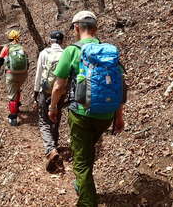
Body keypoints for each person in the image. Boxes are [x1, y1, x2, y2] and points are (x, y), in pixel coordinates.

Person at [48, 11, 126, 207]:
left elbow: (59, 86)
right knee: (87, 151)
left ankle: (87, 202)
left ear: (76, 28)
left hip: (81, 114)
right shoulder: (108, 51)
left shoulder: (72, 51)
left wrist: (52, 107)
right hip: (106, 114)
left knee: (81, 160)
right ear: (95, 28)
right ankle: (82, 184)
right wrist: (118, 117)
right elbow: (119, 86)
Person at [33, 30, 65, 173]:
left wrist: (36, 91)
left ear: (50, 40)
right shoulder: (66, 54)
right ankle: (55, 144)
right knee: (56, 117)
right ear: (62, 41)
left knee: (44, 121)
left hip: (45, 91)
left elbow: (39, 73)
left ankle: (50, 150)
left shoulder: (44, 53)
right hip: (61, 92)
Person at [0, 29, 28, 126]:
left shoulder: (6, 47)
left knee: (12, 96)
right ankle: (17, 106)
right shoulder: (22, 47)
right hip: (23, 74)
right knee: (17, 89)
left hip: (11, 74)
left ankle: (13, 118)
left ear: (9, 38)